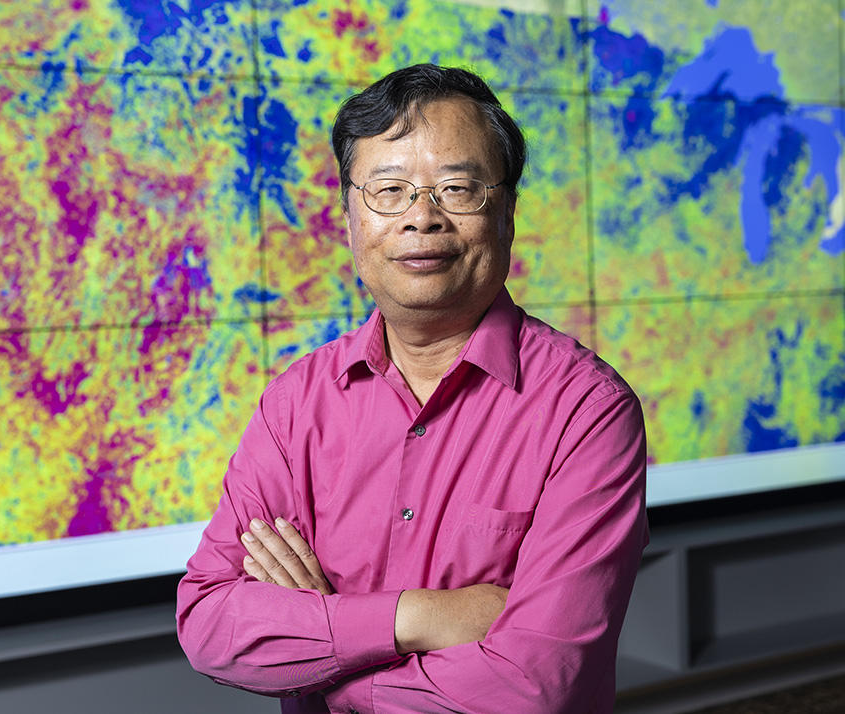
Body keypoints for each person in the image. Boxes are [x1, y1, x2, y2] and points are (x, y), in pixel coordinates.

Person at [176, 63, 648, 714]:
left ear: (507, 213)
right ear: (350, 220)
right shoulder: (296, 404)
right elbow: (210, 626)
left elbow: (536, 685)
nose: (421, 219)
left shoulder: (586, 411)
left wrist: (324, 658)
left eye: (457, 188)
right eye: (388, 190)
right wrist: (420, 616)